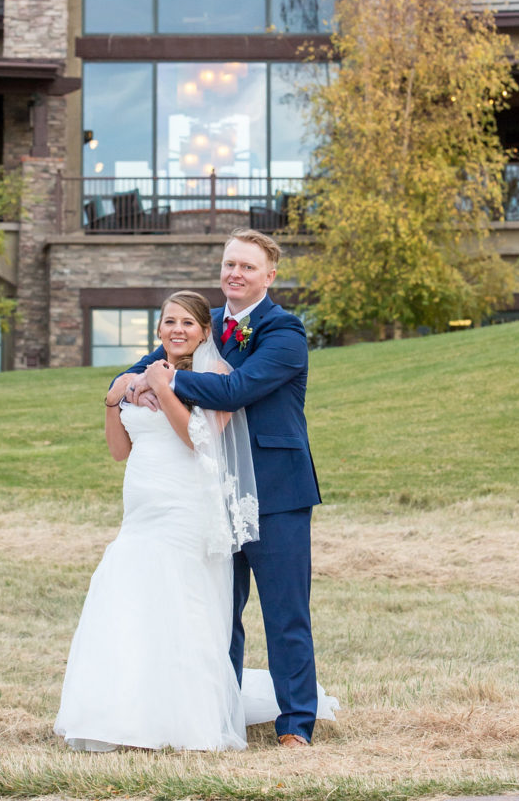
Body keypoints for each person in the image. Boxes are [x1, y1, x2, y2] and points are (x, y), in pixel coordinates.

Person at [129, 230, 321, 749]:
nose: (235, 274)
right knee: (218, 611)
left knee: (285, 614)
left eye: (248, 267)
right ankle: (222, 714)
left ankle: (296, 724)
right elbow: (139, 370)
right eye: (229, 264)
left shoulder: (286, 332)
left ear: (270, 275)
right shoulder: (208, 326)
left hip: (276, 494)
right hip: (211, 494)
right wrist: (134, 383)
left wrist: (163, 382)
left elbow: (236, 389)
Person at [54, 290, 260, 752]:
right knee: (129, 595)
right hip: (140, 510)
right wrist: (113, 398)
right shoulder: (136, 377)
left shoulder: (220, 378)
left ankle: (184, 722)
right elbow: (119, 451)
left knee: (179, 601)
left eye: (188, 322)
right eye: (169, 322)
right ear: (159, 330)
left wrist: (163, 389)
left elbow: (196, 440)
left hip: (186, 508)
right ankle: (123, 713)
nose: (177, 330)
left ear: (205, 332)